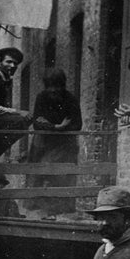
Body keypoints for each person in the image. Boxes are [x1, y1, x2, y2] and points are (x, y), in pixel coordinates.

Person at [26, 68, 82, 218]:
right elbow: (37, 122)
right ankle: (39, 211)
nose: (53, 92)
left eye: (57, 88)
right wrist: (56, 127)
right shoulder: (41, 98)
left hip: (64, 145)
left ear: (62, 86)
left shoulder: (71, 99)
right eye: (50, 88)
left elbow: (77, 124)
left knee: (61, 177)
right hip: (43, 144)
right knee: (40, 173)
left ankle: (61, 211)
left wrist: (63, 129)